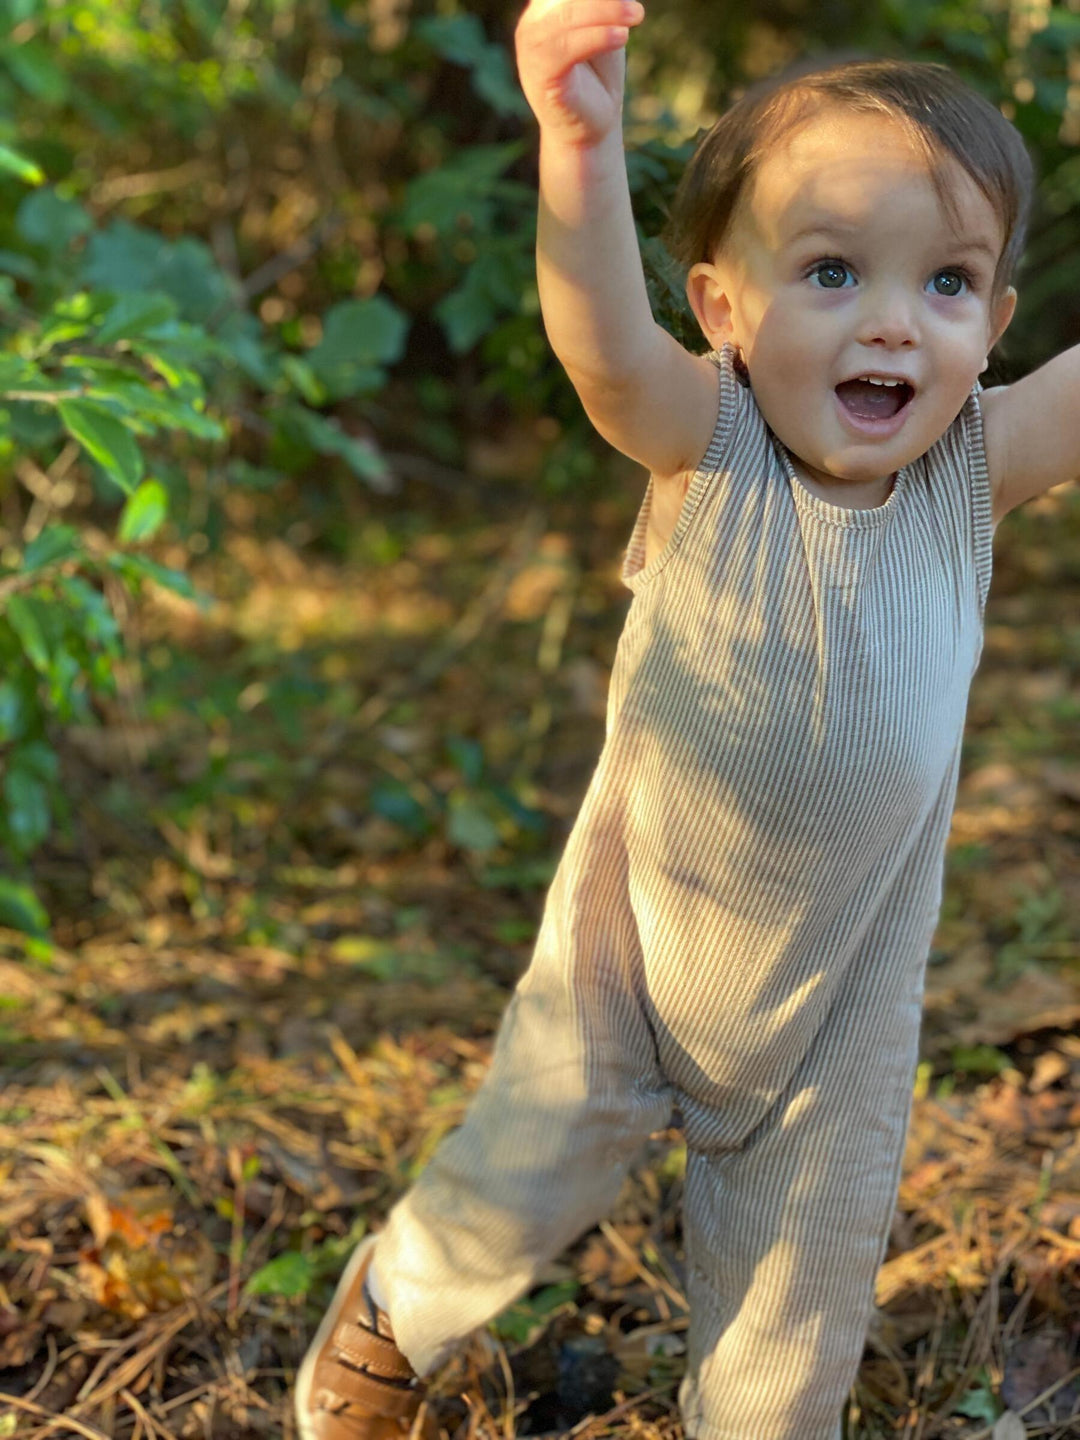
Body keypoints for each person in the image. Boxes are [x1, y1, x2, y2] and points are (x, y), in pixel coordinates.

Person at [295, 3, 1074, 1436]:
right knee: (517, 1177)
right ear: (722, 309)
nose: (894, 320)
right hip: (635, 952)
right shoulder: (709, 442)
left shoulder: (975, 466)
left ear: (996, 327)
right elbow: (603, 348)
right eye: (832, 270)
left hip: (839, 998)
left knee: (798, 1307)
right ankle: (403, 1301)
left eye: (950, 283)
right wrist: (579, 146)